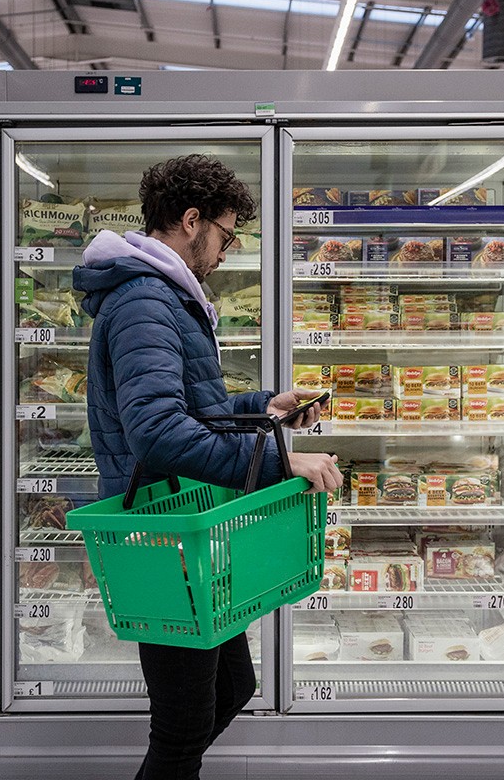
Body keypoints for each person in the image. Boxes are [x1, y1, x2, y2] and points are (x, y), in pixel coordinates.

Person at [73, 154, 342, 780]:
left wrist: (261, 410)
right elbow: (159, 434)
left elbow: (193, 409)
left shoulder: (166, 295)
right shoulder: (145, 300)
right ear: (191, 221)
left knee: (231, 690)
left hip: (190, 523)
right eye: (225, 234)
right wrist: (282, 460)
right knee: (181, 731)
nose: (226, 251)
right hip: (162, 534)